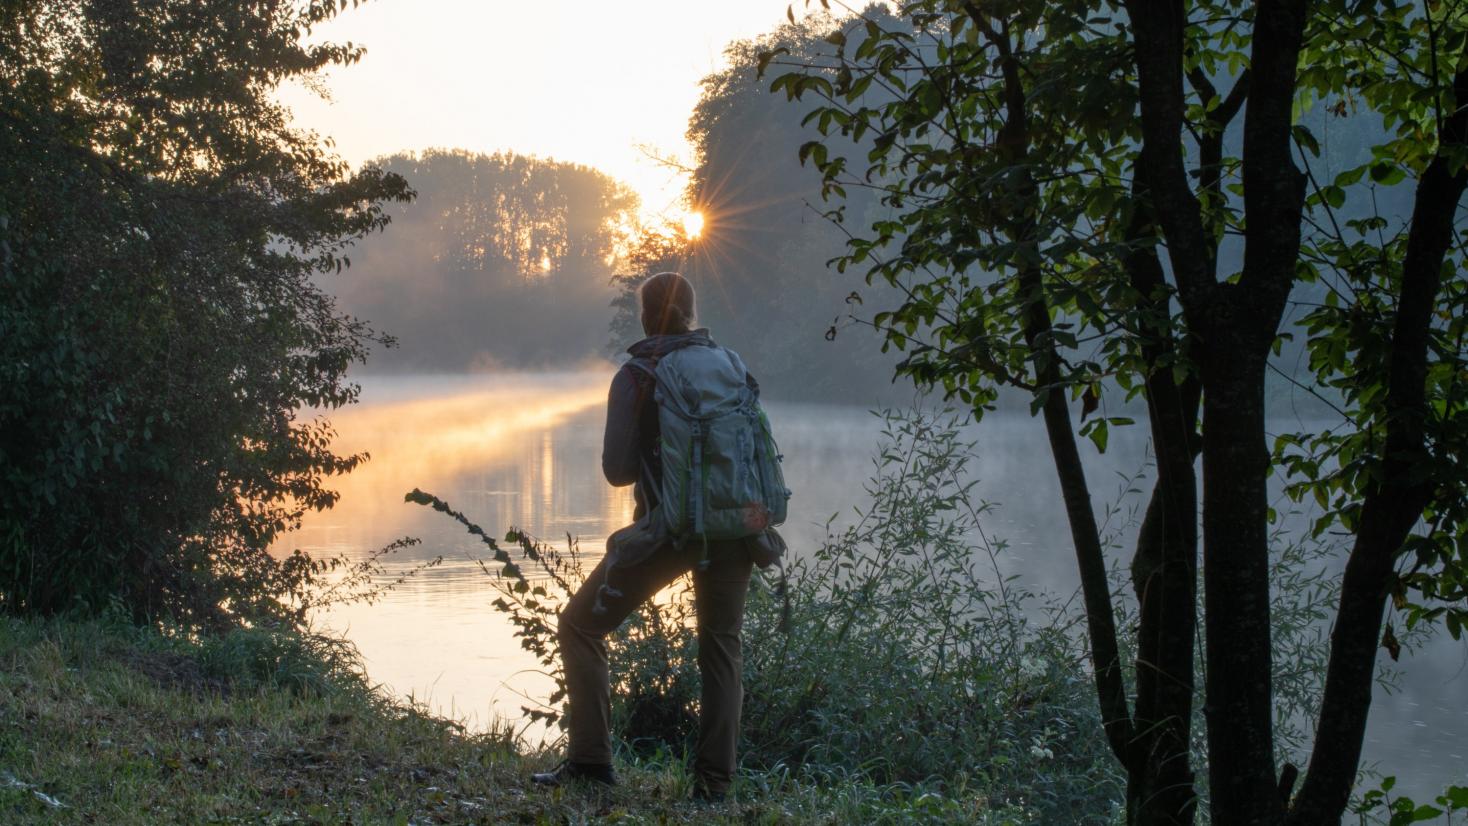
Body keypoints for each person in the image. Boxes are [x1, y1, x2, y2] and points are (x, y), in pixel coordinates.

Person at [530, 271, 762, 803]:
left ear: (643, 316)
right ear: (692, 310)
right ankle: (714, 786)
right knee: (722, 648)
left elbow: (618, 472)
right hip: (735, 527)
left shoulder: (637, 376)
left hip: (669, 529)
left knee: (579, 627)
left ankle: (590, 763)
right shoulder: (730, 366)